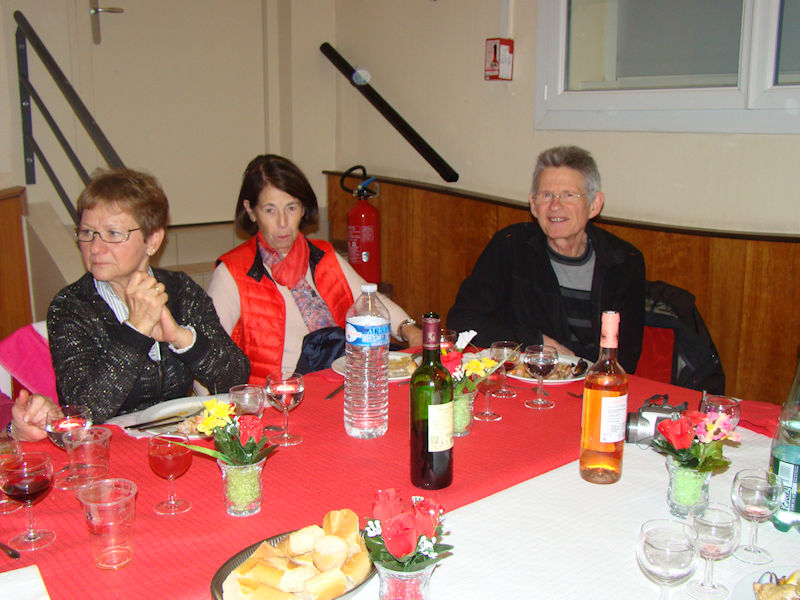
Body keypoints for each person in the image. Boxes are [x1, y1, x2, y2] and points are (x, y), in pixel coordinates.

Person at [46, 168, 250, 423]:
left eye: (113, 234)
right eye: (87, 233)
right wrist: (136, 331)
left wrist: (181, 338)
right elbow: (84, 410)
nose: (95, 248)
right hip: (108, 443)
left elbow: (236, 378)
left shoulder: (180, 290)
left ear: (152, 240)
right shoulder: (70, 306)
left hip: (177, 438)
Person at [207, 154, 422, 384]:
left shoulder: (323, 255)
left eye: (291, 208)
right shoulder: (232, 272)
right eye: (270, 210)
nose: (282, 222)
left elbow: (371, 301)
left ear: (303, 209)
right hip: (277, 397)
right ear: (251, 211)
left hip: (339, 384)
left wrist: (409, 330)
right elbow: (208, 359)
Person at [447, 146, 645, 373]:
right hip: (523, 381)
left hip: (592, 383)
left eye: (569, 195)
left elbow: (624, 359)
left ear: (594, 205)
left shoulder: (623, 262)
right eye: (546, 195)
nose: (555, 206)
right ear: (533, 204)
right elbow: (462, 321)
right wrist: (535, 342)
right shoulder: (510, 247)